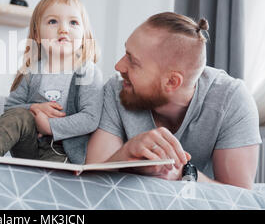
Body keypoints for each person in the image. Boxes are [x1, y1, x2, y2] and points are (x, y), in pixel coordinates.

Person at [86, 12, 262, 189]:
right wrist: (126, 155)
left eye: (133, 61)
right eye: (126, 53)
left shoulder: (231, 101)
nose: (118, 66)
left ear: (171, 81)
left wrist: (182, 174)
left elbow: (239, 199)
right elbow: (88, 184)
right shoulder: (118, 89)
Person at [0, 0, 103, 164]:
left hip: (64, 152)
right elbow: (11, 110)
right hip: (29, 147)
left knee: (50, 179)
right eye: (53, 21)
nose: (63, 29)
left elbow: (91, 118)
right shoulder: (31, 70)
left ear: (84, 34)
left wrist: (49, 127)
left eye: (73, 22)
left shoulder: (88, 72)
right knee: (18, 115)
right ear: (38, 34)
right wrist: (34, 108)